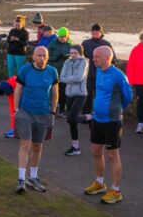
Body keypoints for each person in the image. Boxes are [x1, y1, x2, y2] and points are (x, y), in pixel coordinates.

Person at [82, 46, 133, 204]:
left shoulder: (118, 75)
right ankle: (99, 182)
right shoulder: (98, 71)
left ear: (106, 58)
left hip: (112, 121)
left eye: (96, 57)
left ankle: (116, 191)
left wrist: (116, 110)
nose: (93, 59)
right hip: (98, 119)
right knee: (96, 151)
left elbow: (128, 96)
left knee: (112, 155)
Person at [14, 46, 58, 194]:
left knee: (37, 146)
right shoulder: (25, 70)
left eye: (44, 55)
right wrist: (16, 110)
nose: (42, 58)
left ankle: (33, 177)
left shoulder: (52, 72)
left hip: (44, 113)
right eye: (39, 55)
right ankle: (21, 179)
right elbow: (18, 89)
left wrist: (53, 111)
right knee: (25, 144)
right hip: (25, 112)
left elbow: (55, 92)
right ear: (33, 57)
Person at [60, 45, 89, 156]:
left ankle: (90, 117)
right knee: (71, 121)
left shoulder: (84, 62)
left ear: (80, 53)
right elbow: (61, 77)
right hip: (69, 93)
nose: (72, 55)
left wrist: (68, 78)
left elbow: (80, 78)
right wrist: (71, 78)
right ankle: (75, 147)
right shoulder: (67, 62)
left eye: (75, 53)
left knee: (71, 118)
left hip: (80, 94)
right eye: (71, 53)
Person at [81, 23, 113, 113]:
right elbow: (81, 57)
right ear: (91, 32)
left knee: (101, 95)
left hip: (102, 74)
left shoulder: (106, 44)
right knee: (87, 95)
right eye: (93, 32)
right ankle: (86, 115)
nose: (95, 33)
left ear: (101, 32)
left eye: (97, 32)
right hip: (89, 74)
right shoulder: (85, 43)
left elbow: (112, 59)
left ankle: (99, 113)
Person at [48, 27, 72, 114]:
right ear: (58, 36)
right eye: (61, 36)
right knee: (53, 90)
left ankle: (62, 109)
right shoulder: (52, 44)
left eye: (65, 36)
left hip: (65, 73)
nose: (63, 38)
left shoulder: (69, 45)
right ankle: (53, 108)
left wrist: (68, 57)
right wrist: (56, 57)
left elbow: (74, 56)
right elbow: (46, 57)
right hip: (54, 71)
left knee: (63, 91)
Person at [128, 31, 143, 134]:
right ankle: (140, 124)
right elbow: (130, 67)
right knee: (140, 103)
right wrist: (131, 81)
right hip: (139, 82)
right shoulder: (135, 50)